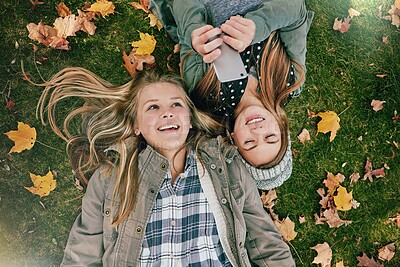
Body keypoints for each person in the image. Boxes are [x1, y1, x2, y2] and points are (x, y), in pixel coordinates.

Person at [36, 67, 295, 266]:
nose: (167, 113)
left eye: (176, 104)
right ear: (136, 126)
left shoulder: (227, 168)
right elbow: (83, 254)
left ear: (190, 119)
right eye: (153, 107)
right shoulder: (109, 180)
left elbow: (266, 244)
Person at [149, 0, 314, 187]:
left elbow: (183, 4)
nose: (258, 131)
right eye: (270, 137)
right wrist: (257, 26)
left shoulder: (207, 94)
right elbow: (297, 12)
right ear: (282, 128)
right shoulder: (290, 82)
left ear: (234, 138)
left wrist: (194, 34)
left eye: (250, 142)